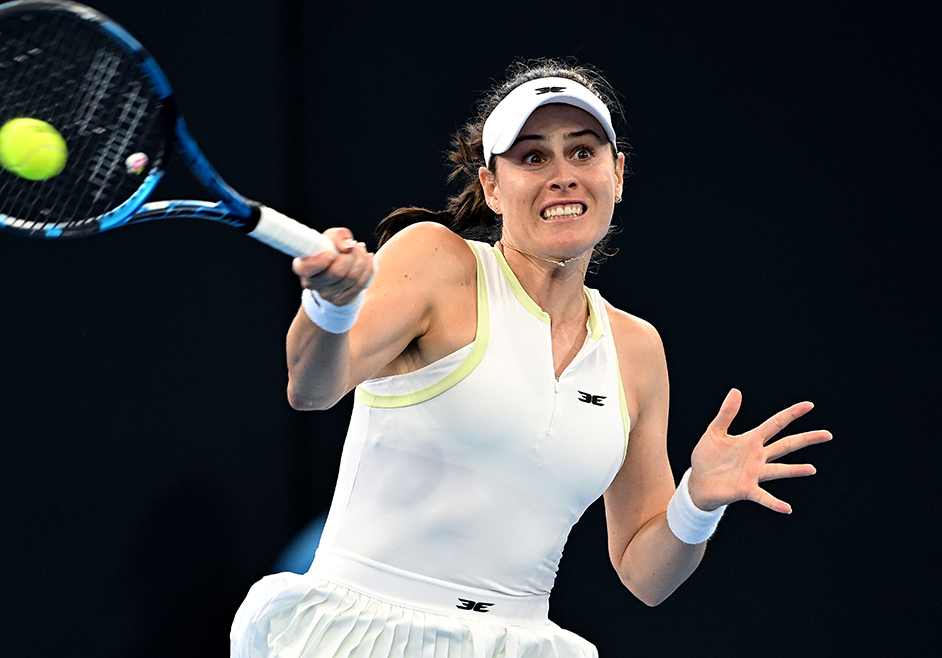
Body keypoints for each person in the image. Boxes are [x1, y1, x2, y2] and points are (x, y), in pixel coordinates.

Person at [230, 58, 832, 658]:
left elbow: (647, 576)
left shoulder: (637, 348)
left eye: (583, 152)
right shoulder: (439, 262)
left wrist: (697, 502)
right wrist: (331, 308)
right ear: (492, 186)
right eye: (533, 157)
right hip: (365, 638)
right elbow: (310, 388)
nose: (563, 175)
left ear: (617, 175)